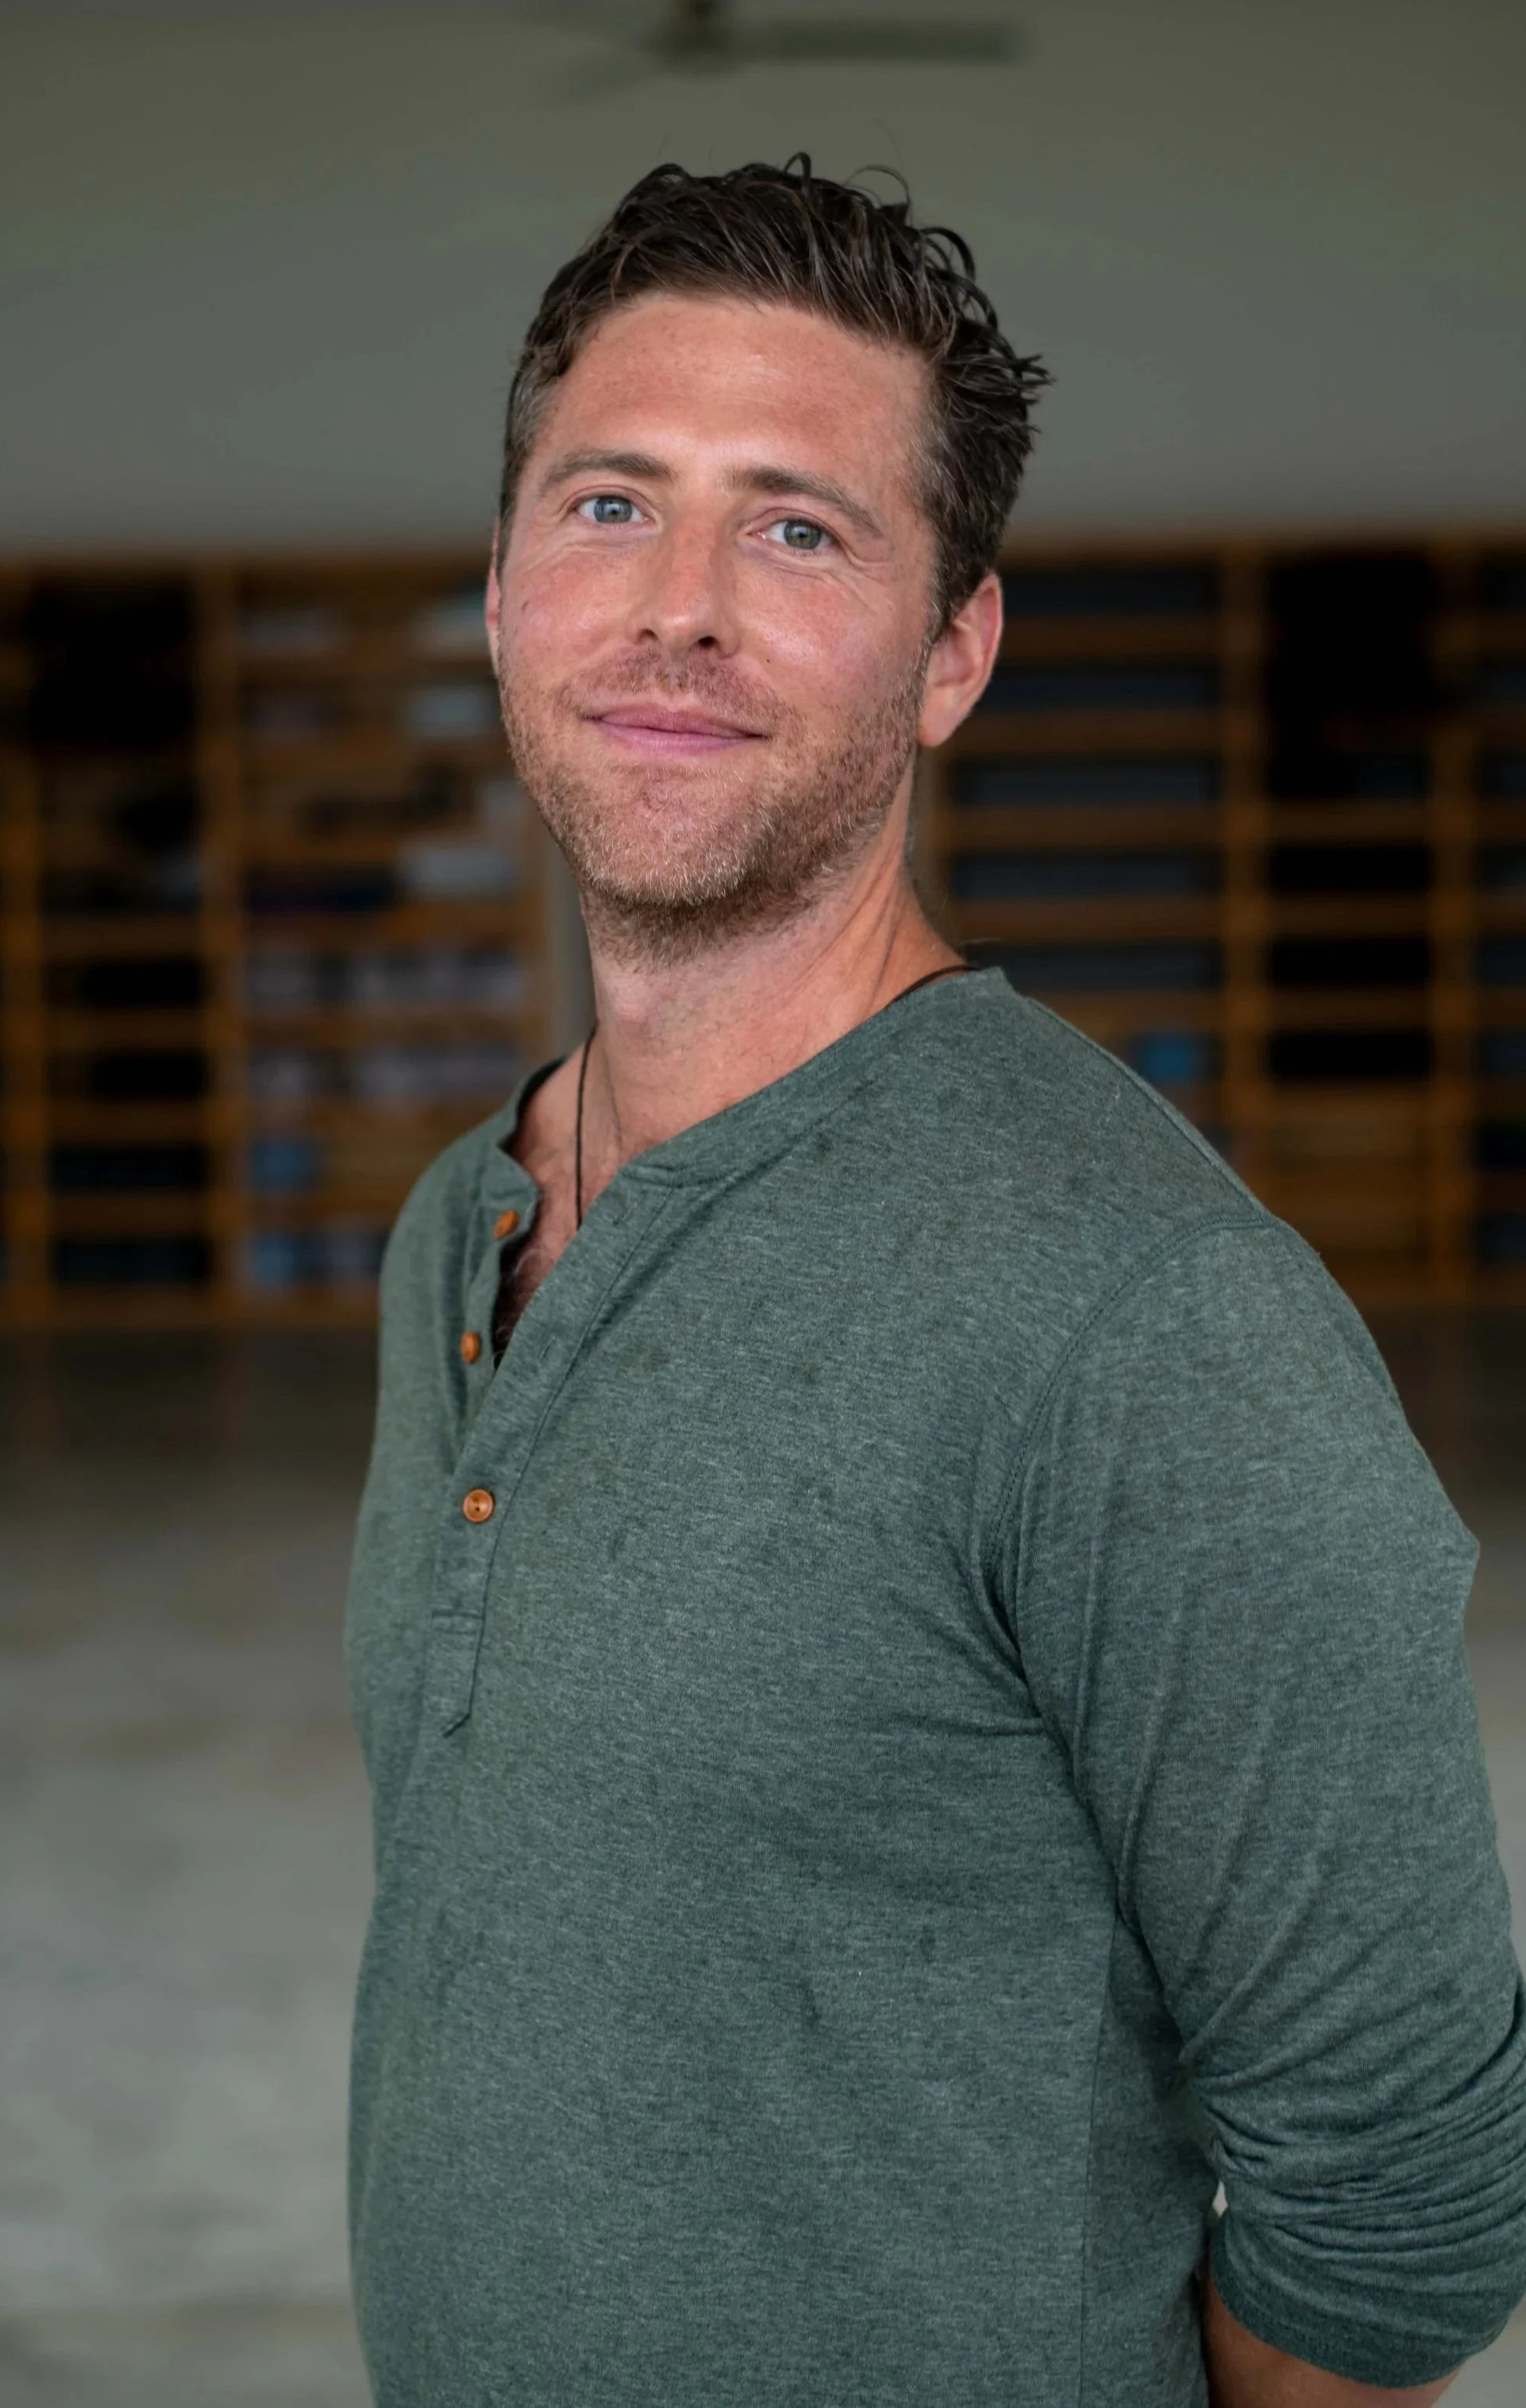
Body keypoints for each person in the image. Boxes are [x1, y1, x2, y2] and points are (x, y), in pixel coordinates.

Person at [345, 159, 1526, 2406]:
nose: (676, 605)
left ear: (951, 651)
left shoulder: (1140, 1317)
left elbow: (1396, 2207)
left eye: (798, 527)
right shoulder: (454, 1231)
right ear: (500, 594)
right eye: (609, 504)